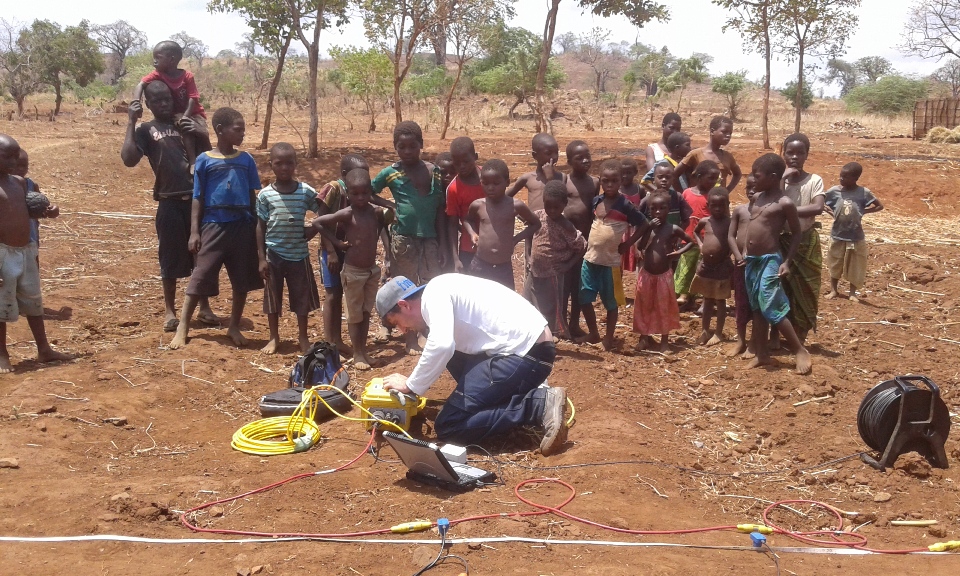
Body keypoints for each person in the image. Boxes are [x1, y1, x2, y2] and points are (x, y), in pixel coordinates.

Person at [377, 274, 568, 455]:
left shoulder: (434, 297)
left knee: (450, 425)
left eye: (397, 323)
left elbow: (442, 345)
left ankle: (538, 404)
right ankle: (510, 397)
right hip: (529, 350)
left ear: (404, 305)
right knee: (443, 345)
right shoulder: (440, 288)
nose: (402, 330)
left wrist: (410, 385)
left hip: (526, 355)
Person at [121, 80, 217, 333]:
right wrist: (131, 121)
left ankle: (204, 306)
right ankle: (170, 311)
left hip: (197, 200)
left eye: (167, 99)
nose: (163, 104)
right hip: (168, 200)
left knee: (201, 255)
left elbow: (208, 156)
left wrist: (201, 133)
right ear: (148, 104)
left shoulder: (185, 123)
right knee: (170, 256)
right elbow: (129, 159)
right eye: (157, 101)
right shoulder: (146, 130)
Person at [168, 107, 264, 350]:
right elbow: (198, 197)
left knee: (241, 279)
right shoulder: (204, 160)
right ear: (220, 130)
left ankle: (233, 325)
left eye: (243, 129)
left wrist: (255, 225)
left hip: (242, 225)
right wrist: (195, 231)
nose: (242, 133)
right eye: (237, 129)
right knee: (200, 275)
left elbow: (253, 196)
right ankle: (183, 326)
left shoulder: (246, 160)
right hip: (214, 224)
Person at [729, 154, 811, 375]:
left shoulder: (784, 203)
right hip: (752, 261)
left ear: (773, 177)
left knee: (770, 304)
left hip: (770, 260)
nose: (753, 180)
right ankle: (762, 354)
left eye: (757, 175)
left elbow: (796, 234)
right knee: (757, 308)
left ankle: (799, 350)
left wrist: (787, 261)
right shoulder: (757, 198)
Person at [372, 121, 446, 355]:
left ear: (421, 145)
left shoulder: (433, 170)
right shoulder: (391, 172)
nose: (407, 152)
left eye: (412, 147)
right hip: (404, 238)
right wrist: (388, 205)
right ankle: (403, 334)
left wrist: (443, 243)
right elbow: (369, 189)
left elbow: (440, 208)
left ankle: (423, 330)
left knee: (427, 285)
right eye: (401, 148)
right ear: (395, 148)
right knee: (402, 287)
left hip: (430, 238)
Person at [1, 136, 72, 373]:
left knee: (33, 302)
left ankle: (44, 349)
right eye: (7, 157)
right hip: (3, 254)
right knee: (2, 306)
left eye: (16, 156)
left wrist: (47, 213)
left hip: (26, 250)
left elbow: (25, 213)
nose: (14, 161)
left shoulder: (19, 183)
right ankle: (2, 354)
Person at [313, 154, 393, 356]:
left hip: (359, 257)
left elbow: (379, 223)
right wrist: (333, 248)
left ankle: (355, 347)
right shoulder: (335, 190)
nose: (361, 196)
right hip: (335, 249)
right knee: (334, 293)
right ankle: (333, 341)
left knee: (357, 304)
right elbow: (319, 219)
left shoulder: (366, 199)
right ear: (346, 177)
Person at [256, 142, 322, 355]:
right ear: (271, 165)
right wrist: (261, 258)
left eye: (289, 163)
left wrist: (313, 229)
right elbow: (260, 226)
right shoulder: (265, 195)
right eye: (279, 163)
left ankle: (303, 337)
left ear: (296, 164)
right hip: (273, 254)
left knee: (301, 298)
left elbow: (323, 211)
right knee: (273, 298)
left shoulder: (305, 192)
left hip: (298, 255)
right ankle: (274, 337)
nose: (284, 168)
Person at [580, 159, 650, 350]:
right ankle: (593, 333)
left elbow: (644, 224)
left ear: (620, 182)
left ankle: (608, 338)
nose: (609, 185)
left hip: (610, 263)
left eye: (614, 181)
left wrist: (628, 243)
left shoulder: (625, 205)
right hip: (590, 259)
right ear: (600, 181)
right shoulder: (597, 201)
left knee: (610, 302)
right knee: (584, 297)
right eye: (605, 181)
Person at [776, 133, 825, 344]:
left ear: (807, 155)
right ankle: (778, 334)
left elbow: (818, 207)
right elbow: (774, 202)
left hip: (805, 243)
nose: (794, 157)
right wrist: (782, 179)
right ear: (783, 153)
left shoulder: (814, 180)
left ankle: (801, 334)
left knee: (806, 289)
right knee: (781, 288)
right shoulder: (779, 181)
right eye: (790, 152)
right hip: (781, 242)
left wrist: (789, 210)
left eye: (800, 153)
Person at [463, 159, 540, 290]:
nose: (490, 187)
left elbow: (536, 224)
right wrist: (473, 233)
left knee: (503, 303)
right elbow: (467, 220)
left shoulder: (515, 205)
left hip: (503, 267)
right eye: (485, 183)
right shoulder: (478, 205)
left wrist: (516, 239)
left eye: (496, 183)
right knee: (478, 299)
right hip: (480, 264)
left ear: (507, 183)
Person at [132, 41, 210, 169]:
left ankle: (196, 162)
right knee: (183, 131)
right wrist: (135, 102)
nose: (154, 61)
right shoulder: (157, 74)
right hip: (176, 115)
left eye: (158, 57)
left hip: (194, 113)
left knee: (197, 134)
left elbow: (193, 98)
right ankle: (192, 163)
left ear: (172, 60)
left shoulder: (187, 76)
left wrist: (186, 116)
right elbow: (141, 84)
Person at [632, 191, 694, 353]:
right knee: (644, 305)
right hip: (646, 275)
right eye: (654, 209)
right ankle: (644, 338)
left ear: (669, 209)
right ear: (649, 211)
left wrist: (679, 252)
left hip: (664, 276)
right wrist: (648, 229)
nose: (658, 212)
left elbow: (690, 242)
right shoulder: (648, 227)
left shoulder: (673, 229)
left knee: (663, 307)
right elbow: (640, 246)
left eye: (662, 208)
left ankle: (664, 342)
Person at [507, 133, 565, 301]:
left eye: (556, 152)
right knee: (531, 266)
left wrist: (550, 178)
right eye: (548, 153)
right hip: (533, 232)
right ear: (535, 155)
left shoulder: (561, 178)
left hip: (554, 233)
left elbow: (559, 197)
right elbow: (506, 198)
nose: (553, 157)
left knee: (553, 269)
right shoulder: (528, 178)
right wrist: (521, 214)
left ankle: (552, 305)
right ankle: (532, 303)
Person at [529, 181, 587, 340]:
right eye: (549, 206)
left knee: (550, 306)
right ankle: (533, 332)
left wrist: (568, 264)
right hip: (534, 270)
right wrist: (528, 256)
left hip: (552, 273)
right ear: (543, 201)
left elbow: (581, 246)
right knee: (530, 301)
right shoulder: (538, 216)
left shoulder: (566, 225)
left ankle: (549, 336)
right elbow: (529, 232)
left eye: (557, 207)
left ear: (564, 205)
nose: (552, 211)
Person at [824, 162, 883, 302]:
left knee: (855, 264)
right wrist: (831, 212)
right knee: (835, 262)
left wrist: (864, 212)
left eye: (845, 177)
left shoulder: (863, 193)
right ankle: (834, 290)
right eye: (840, 176)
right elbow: (821, 202)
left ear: (855, 178)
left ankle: (852, 293)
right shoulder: (834, 191)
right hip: (837, 234)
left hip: (855, 236)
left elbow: (879, 206)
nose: (841, 179)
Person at [563, 140, 599, 338]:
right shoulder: (564, 181)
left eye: (588, 156)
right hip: (565, 242)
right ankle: (561, 324)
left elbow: (593, 212)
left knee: (578, 286)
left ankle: (574, 323)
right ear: (569, 161)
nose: (586, 160)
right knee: (564, 286)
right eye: (579, 158)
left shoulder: (594, 182)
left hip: (584, 243)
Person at [675, 160, 721, 310]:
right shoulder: (687, 193)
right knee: (686, 267)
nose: (714, 182)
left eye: (716, 179)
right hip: (688, 238)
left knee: (701, 269)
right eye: (711, 178)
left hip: (706, 240)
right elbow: (682, 216)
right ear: (699, 176)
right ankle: (684, 295)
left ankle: (700, 299)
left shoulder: (714, 197)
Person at [691, 187, 733, 346]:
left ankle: (718, 333)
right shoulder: (705, 221)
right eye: (713, 205)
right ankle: (705, 330)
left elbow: (734, 238)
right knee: (707, 300)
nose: (717, 209)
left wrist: (729, 253)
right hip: (706, 267)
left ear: (727, 205)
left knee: (721, 301)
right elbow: (695, 232)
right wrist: (700, 244)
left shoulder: (729, 222)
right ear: (708, 205)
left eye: (721, 205)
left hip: (721, 267)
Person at [725, 174, 757, 358]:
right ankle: (740, 341)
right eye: (748, 187)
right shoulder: (740, 210)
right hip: (740, 264)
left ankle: (754, 342)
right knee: (740, 302)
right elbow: (731, 236)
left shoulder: (766, 210)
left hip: (758, 264)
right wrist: (737, 256)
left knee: (757, 304)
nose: (751, 191)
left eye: (756, 187)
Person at [445, 137, 485, 273]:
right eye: (457, 163)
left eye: (466, 161)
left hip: (493, 246)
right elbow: (452, 224)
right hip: (469, 249)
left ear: (475, 157)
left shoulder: (490, 178)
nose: (461, 166)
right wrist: (456, 259)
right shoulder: (453, 189)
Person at [672, 116, 741, 193]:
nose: (728, 135)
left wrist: (727, 191)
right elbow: (674, 174)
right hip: (697, 202)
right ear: (712, 131)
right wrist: (682, 195)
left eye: (730, 133)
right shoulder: (695, 154)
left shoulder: (728, 157)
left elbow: (737, 174)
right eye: (724, 132)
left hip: (719, 203)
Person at [620, 157, 644, 274]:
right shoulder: (617, 189)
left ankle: (639, 289)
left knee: (637, 258)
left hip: (635, 231)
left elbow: (644, 209)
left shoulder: (640, 189)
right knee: (617, 261)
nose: (625, 176)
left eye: (628, 173)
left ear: (635, 173)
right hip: (620, 230)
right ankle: (616, 289)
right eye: (622, 173)